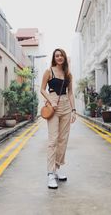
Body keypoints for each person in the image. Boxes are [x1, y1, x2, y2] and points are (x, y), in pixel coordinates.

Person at [40, 48, 76, 189]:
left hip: (66, 105)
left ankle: (57, 168)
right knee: (53, 140)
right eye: (57, 56)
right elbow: (42, 89)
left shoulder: (68, 74)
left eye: (61, 55)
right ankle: (50, 173)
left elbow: (71, 92)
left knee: (63, 140)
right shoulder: (49, 71)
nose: (59, 57)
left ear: (64, 58)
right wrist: (51, 100)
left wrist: (73, 110)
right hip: (53, 105)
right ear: (54, 58)